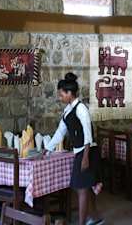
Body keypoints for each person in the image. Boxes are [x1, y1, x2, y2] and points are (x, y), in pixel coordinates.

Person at [44, 72, 104, 225]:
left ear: (70, 93)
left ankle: (83, 222)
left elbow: (88, 134)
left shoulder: (81, 108)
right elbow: (60, 132)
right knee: (85, 187)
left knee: (81, 188)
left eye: (61, 94)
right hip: (80, 152)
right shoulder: (68, 110)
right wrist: (48, 148)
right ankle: (95, 217)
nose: (60, 97)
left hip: (88, 151)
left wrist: (85, 157)